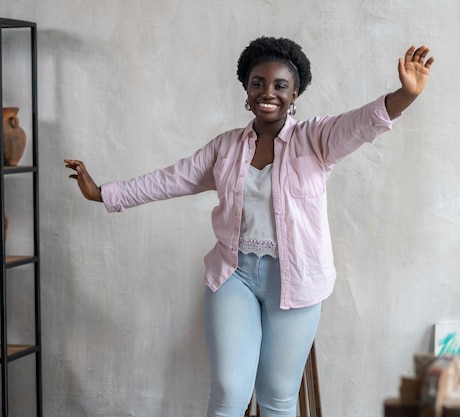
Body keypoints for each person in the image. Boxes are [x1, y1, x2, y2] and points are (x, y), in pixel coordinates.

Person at [65, 36, 434, 417]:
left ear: (295, 93)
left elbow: (362, 123)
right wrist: (103, 193)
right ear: (246, 87)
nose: (267, 92)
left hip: (297, 282)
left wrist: (404, 95)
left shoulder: (317, 139)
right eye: (258, 82)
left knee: (276, 398)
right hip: (233, 276)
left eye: (280, 85)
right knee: (228, 392)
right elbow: (169, 179)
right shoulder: (225, 147)